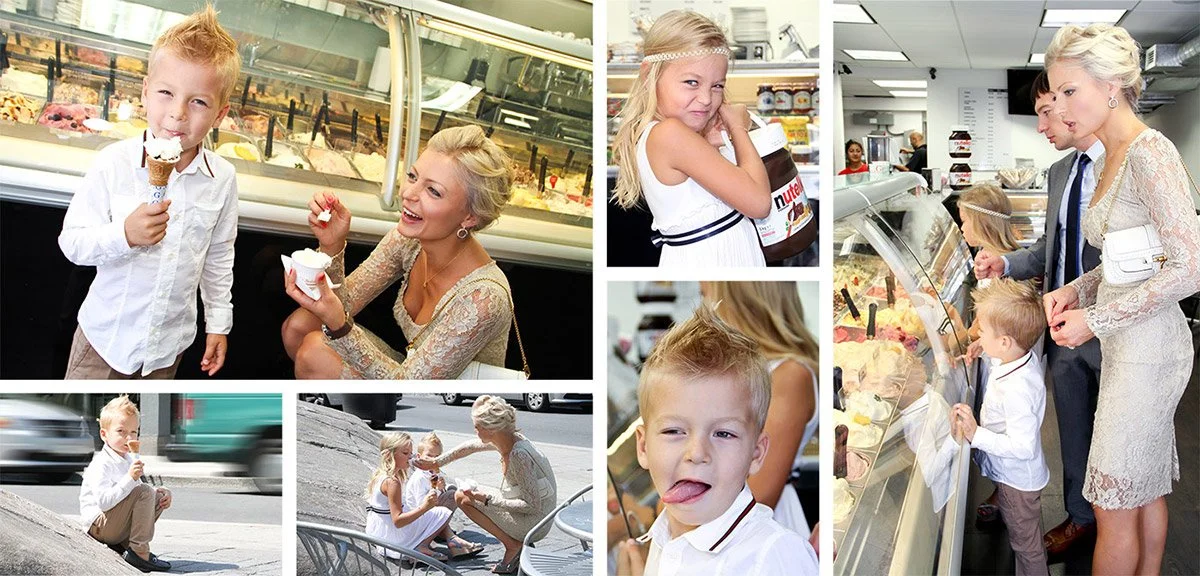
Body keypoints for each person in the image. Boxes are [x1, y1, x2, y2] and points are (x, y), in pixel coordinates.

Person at [1041, 24, 1200, 574]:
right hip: (1128, 344)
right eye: (1055, 93)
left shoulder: (1150, 152)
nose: (1059, 108)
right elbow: (1127, 261)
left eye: (1068, 91)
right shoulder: (1114, 153)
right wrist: (1074, 289)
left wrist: (1095, 319)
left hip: (1150, 350)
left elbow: (1190, 267)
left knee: (1111, 501)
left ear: (1111, 86)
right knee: (1144, 486)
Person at [58, 5, 239, 379]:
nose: (178, 113)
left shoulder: (222, 179)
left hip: (166, 349)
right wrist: (124, 234)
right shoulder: (115, 162)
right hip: (103, 343)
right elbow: (72, 243)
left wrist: (219, 322)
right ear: (144, 92)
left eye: (199, 101)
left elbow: (219, 257)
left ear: (220, 114)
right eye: (166, 93)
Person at [974, 69, 1104, 555]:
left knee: (1118, 437)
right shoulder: (1059, 173)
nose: (1042, 125)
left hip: (1117, 325)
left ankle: (1116, 519)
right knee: (1072, 426)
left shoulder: (1122, 163)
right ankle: (1081, 515)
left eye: (1048, 110)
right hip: (1063, 328)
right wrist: (1006, 261)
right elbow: (1053, 247)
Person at [281, 125, 514, 379]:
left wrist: (340, 327)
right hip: (411, 370)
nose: (407, 194)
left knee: (315, 351)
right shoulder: (408, 240)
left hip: (449, 403)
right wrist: (332, 246)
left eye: (433, 191)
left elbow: (414, 388)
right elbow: (344, 306)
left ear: (470, 217)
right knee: (299, 326)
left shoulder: (485, 298)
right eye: (413, 177)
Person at [617, 305, 818, 576]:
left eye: (723, 434)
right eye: (674, 431)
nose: (697, 453)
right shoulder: (663, 536)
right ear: (642, 447)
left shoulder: (775, 555)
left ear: (756, 454)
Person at [610, 10, 771, 267]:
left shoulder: (663, 134)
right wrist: (738, 128)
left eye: (717, 85)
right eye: (691, 82)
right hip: (715, 260)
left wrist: (710, 142)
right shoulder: (670, 134)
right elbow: (760, 203)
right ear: (649, 74)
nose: (707, 98)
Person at [701, 281, 818, 539]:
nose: (703, 309)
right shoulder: (736, 373)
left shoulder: (788, 376)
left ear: (737, 299)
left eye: (706, 294)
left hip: (759, 532)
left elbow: (759, 495)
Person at [952, 280, 1051, 576]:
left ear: (1005, 342)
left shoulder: (1018, 389)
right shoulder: (1018, 356)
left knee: (1026, 544)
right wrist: (983, 348)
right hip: (1012, 479)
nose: (978, 334)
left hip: (1018, 483)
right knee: (1022, 533)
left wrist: (976, 435)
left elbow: (1023, 448)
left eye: (982, 331)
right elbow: (1000, 355)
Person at [413, 396, 556, 574]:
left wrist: (487, 499)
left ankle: (513, 546)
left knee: (462, 497)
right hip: (529, 507)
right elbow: (469, 447)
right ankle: (514, 543)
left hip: (535, 522)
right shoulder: (509, 438)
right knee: (462, 494)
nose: (474, 432)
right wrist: (437, 462)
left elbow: (532, 505)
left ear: (491, 429)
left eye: (477, 427)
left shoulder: (519, 456)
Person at [79, 395, 173, 572]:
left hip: (114, 524)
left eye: (133, 432)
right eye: (121, 432)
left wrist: (162, 492)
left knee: (156, 495)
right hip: (99, 525)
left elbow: (135, 496)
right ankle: (139, 552)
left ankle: (126, 544)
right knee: (145, 492)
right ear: (104, 434)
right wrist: (130, 478)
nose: (128, 438)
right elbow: (104, 503)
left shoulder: (129, 458)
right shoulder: (102, 463)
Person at [364, 432, 457, 562]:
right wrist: (425, 507)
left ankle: (443, 539)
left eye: (410, 453)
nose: (410, 457)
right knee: (442, 512)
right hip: (390, 535)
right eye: (405, 453)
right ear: (390, 454)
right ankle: (421, 547)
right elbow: (398, 521)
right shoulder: (392, 482)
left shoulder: (382, 474)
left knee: (436, 512)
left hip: (377, 530)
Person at [403, 432, 484, 559]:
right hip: (418, 517)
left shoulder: (432, 473)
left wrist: (440, 489)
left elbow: (434, 497)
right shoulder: (419, 478)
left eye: (436, 457)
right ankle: (440, 541)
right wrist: (437, 489)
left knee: (453, 492)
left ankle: (445, 534)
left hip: (428, 512)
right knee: (451, 496)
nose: (432, 460)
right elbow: (422, 505)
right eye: (429, 456)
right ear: (419, 457)